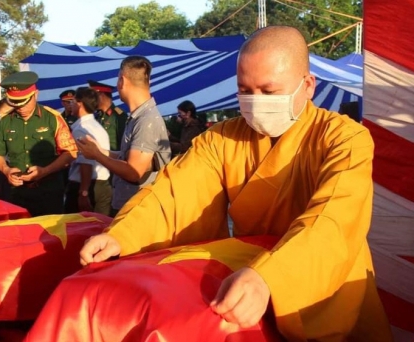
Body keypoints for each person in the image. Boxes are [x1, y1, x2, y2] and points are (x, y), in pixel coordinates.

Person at [79, 26, 392, 341]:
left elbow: (333, 220)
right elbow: (174, 195)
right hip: (244, 283)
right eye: (245, 90)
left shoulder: (345, 139)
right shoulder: (221, 138)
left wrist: (273, 277)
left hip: (321, 291)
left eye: (269, 92)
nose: (255, 102)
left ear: (307, 86)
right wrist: (123, 235)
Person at [78, 56, 171, 216]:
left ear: (122, 81)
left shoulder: (146, 120)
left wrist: (97, 155)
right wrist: (100, 151)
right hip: (132, 206)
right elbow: (128, 158)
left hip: (138, 211)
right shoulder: (139, 117)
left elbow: (133, 172)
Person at [0, 71, 77, 216]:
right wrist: (6, 170)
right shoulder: (6, 121)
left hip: (48, 194)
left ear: (36, 94)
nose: (20, 107)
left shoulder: (52, 118)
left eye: (24, 101)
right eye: (15, 102)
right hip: (17, 194)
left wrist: (45, 171)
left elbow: (71, 153)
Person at [64, 87, 112, 216]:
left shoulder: (81, 129)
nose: (70, 105)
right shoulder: (96, 126)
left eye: (72, 101)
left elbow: (86, 163)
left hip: (86, 185)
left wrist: (83, 192)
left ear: (79, 103)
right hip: (102, 185)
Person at [88, 80, 128, 151]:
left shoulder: (119, 116)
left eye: (92, 97)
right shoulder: (97, 116)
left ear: (101, 95)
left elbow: (125, 147)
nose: (90, 100)